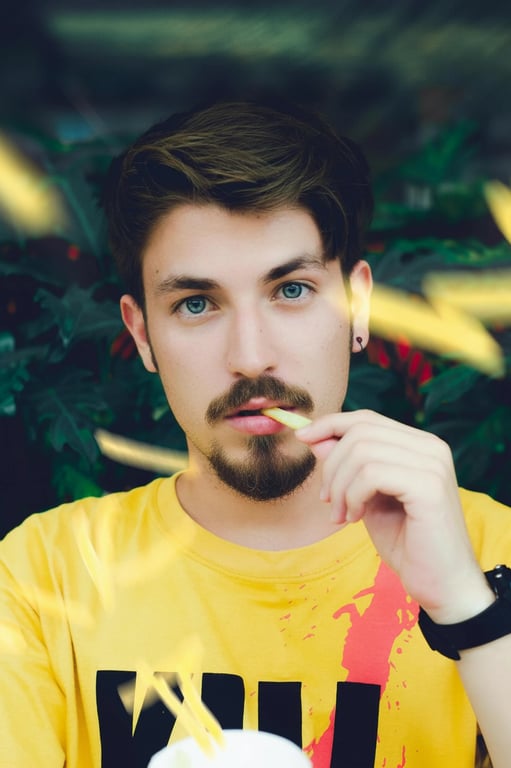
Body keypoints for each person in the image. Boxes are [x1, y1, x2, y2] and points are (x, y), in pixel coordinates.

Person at [1, 100, 510, 768]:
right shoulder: (44, 577)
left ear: (357, 307)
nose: (250, 355)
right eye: (196, 304)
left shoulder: (486, 553)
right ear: (140, 336)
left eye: (291, 290)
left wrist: (467, 611)